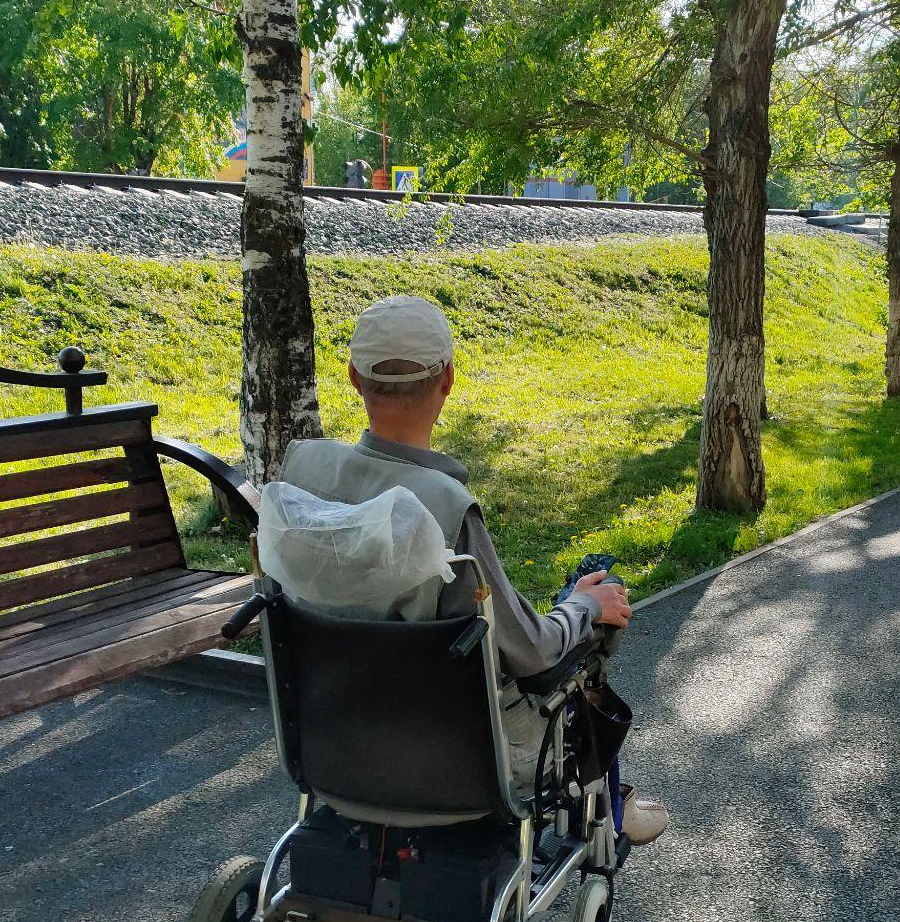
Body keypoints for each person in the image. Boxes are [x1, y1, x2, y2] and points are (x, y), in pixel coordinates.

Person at [276, 294, 669, 845]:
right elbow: (529, 652)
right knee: (589, 628)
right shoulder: (442, 507)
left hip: (333, 746)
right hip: (461, 768)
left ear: (353, 379)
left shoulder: (304, 478)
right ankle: (609, 804)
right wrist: (584, 606)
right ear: (448, 381)